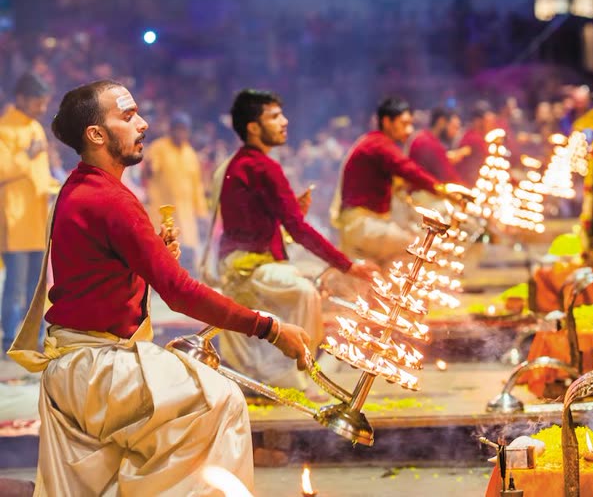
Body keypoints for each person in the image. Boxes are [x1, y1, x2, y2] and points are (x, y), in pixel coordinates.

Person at [6, 80, 310, 495]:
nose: (144, 124)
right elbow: (180, 292)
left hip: (77, 368)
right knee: (220, 400)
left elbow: (99, 277)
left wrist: (154, 259)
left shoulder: (82, 188)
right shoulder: (110, 199)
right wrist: (269, 328)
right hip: (97, 370)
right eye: (128, 116)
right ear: (95, 134)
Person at [214, 89, 376, 393]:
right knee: (304, 292)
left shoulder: (244, 163)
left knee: (308, 284)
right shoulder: (261, 166)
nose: (284, 122)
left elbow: (263, 224)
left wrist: (288, 216)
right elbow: (298, 231)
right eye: (274, 116)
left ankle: (289, 368)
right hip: (248, 268)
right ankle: (294, 371)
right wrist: (349, 266)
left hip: (248, 261)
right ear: (253, 127)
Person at [331, 97, 449, 265]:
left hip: (365, 225)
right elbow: (409, 170)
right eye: (404, 123)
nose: (409, 130)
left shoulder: (375, 142)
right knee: (418, 248)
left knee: (401, 258)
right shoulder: (380, 145)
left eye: (410, 124)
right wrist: (443, 190)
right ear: (387, 122)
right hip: (363, 226)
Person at [0, 72, 55, 354]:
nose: (42, 108)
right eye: (38, 102)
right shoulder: (4, 129)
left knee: (36, 289)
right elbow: (2, 171)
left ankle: (31, 337)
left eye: (44, 103)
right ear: (21, 98)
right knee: (16, 285)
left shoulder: (35, 127)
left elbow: (40, 174)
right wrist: (28, 155)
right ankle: (9, 338)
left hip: (36, 218)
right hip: (15, 219)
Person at [144, 111, 209, 275]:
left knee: (187, 254)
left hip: (186, 216)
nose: (181, 133)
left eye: (184, 129)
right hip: (163, 213)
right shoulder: (159, 148)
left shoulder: (190, 154)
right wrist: (149, 168)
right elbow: (150, 172)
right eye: (178, 129)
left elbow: (197, 186)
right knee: (161, 252)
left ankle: (186, 288)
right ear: (171, 130)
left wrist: (201, 212)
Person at [454, 100, 497, 187]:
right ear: (478, 121)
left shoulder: (478, 136)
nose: (491, 124)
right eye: (487, 121)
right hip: (470, 185)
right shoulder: (473, 139)